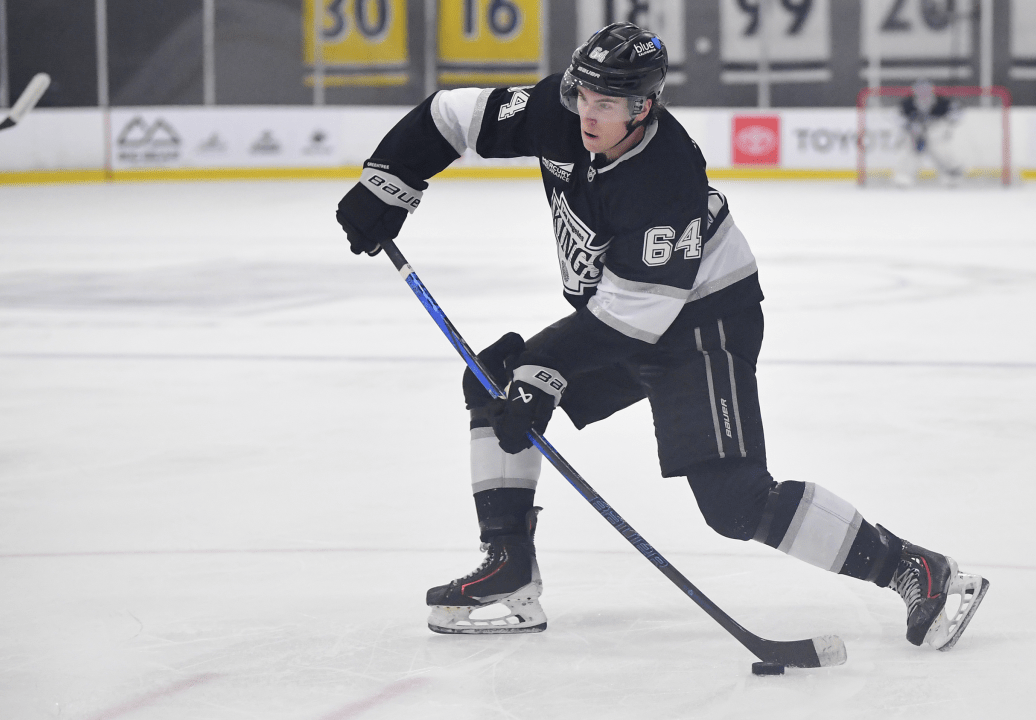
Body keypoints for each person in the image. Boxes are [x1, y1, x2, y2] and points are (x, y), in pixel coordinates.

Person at [335, 23, 989, 649]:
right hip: (625, 313)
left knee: (735, 503)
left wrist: (546, 371)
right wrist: (390, 181)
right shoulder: (558, 109)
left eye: (606, 104)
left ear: (642, 107)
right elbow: (452, 115)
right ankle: (510, 570)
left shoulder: (666, 175)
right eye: (583, 95)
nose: (587, 114)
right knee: (496, 381)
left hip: (703, 320)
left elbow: (636, 315)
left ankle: (915, 569)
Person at [894, 79, 964, 187]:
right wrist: (912, 128)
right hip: (915, 133)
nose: (923, 94)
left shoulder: (942, 102)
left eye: (926, 91)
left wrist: (946, 124)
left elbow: (956, 114)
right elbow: (900, 120)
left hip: (935, 132)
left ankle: (951, 173)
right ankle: (904, 174)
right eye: (920, 91)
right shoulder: (907, 104)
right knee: (911, 148)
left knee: (939, 147)